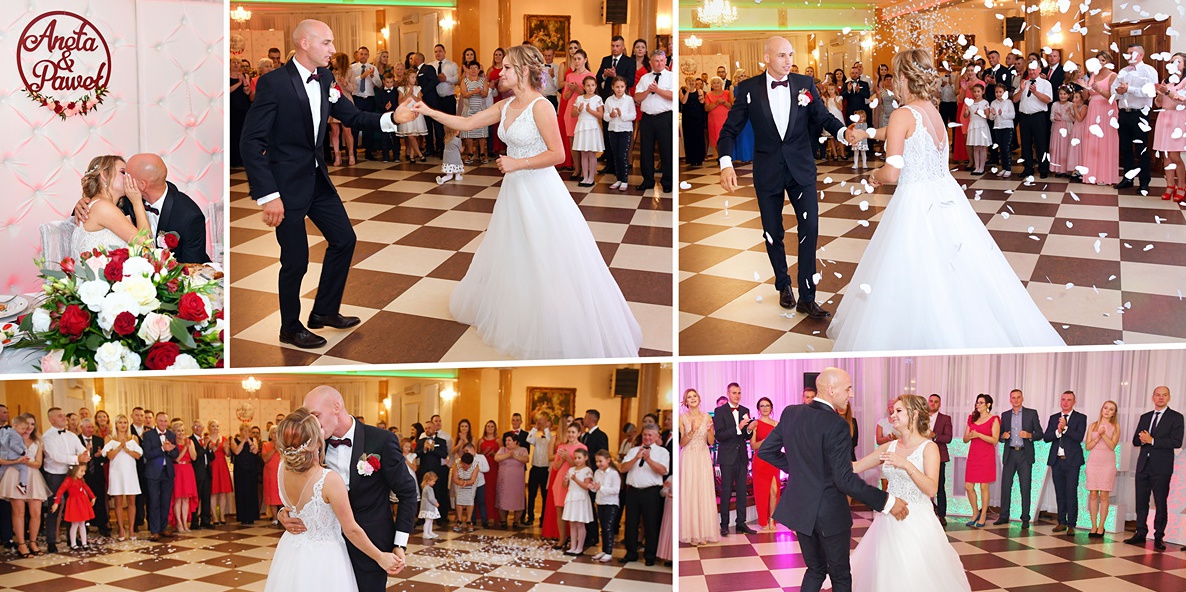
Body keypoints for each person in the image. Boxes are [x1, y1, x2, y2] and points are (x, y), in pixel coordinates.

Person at [409, 44, 642, 359]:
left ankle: (553, 314)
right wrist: (427, 111)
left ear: (523, 71)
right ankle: (521, 304)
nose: (501, 72)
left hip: (540, 189)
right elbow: (466, 123)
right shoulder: (506, 105)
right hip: (514, 190)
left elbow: (557, 154)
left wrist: (518, 163)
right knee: (515, 247)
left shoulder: (541, 106)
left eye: (507, 67)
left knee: (545, 251)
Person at [827, 49, 1066, 351]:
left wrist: (875, 174)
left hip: (916, 203)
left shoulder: (902, 114)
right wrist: (868, 133)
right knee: (956, 267)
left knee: (915, 268)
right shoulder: (931, 110)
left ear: (903, 78)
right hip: (945, 196)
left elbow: (892, 172)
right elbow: (900, 132)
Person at [239, 19, 415, 350]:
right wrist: (268, 195)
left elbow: (352, 116)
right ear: (304, 43)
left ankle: (324, 311)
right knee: (296, 261)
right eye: (326, 43)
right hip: (285, 187)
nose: (333, 49)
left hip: (317, 178)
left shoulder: (325, 79)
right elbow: (250, 142)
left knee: (344, 239)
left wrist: (392, 118)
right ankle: (290, 327)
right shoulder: (274, 83)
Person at [719, 37, 856, 319]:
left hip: (801, 169)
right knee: (773, 232)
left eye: (790, 55)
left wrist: (843, 132)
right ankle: (783, 284)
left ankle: (807, 296)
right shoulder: (748, 89)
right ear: (766, 57)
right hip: (768, 170)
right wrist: (725, 164)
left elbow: (823, 117)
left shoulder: (804, 85)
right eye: (782, 55)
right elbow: (729, 130)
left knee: (810, 229)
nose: (788, 61)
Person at [756, 368, 908, 592]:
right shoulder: (837, 424)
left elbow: (766, 451)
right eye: (848, 389)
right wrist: (887, 501)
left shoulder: (791, 413)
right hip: (829, 512)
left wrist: (802, 470)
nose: (851, 394)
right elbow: (844, 479)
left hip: (801, 508)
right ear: (831, 389)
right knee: (840, 575)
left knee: (815, 570)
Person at [276, 388, 418, 592]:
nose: (313, 423)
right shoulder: (312, 444)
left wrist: (400, 544)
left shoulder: (381, 440)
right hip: (326, 554)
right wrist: (287, 511)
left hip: (370, 545)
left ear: (337, 407)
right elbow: (304, 486)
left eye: (316, 415)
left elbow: (407, 493)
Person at [848, 395, 972, 592]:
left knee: (916, 573)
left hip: (917, 520)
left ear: (914, 414)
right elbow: (856, 467)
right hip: (888, 520)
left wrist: (906, 465)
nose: (893, 415)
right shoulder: (890, 446)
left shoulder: (929, 447)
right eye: (893, 411)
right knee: (887, 573)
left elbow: (931, 488)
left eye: (899, 411)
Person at [1125, 386, 1183, 550]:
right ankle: (1140, 532)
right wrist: (1143, 440)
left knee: (1160, 502)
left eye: (1164, 395)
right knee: (1141, 501)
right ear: (1153, 397)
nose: (1160, 398)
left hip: (1162, 467)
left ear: (1169, 397)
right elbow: (1135, 441)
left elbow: (1177, 442)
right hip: (1143, 465)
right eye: (1158, 395)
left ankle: (1159, 536)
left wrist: (1152, 440)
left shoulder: (1176, 417)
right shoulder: (1145, 417)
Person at [70, 155, 152, 256]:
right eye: (123, 172)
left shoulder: (101, 205)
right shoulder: (102, 207)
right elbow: (147, 246)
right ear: (105, 175)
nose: (129, 178)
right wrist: (137, 202)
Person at [0, 414, 49, 557]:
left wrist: (26, 462)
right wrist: (16, 461)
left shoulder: (37, 441)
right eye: (27, 424)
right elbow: (2, 459)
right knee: (19, 512)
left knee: (36, 512)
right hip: (14, 474)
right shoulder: (10, 438)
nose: (29, 427)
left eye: (32, 424)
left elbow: (38, 463)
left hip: (33, 476)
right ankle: (21, 544)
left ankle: (33, 542)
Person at [42, 407, 91, 552]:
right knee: (54, 506)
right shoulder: (47, 437)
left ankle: (73, 539)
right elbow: (55, 456)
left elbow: (81, 449)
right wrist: (77, 458)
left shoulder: (71, 435)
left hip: (71, 474)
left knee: (74, 505)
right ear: (51, 420)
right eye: (60, 416)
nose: (64, 418)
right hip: (55, 474)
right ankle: (51, 541)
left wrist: (85, 454)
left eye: (64, 415)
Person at [620, 425, 669, 566]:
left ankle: (650, 555)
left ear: (657, 436)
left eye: (650, 435)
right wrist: (636, 458)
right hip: (633, 491)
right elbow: (623, 468)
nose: (647, 437)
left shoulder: (662, 452)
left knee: (651, 524)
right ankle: (631, 553)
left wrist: (648, 460)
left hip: (651, 492)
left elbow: (663, 471)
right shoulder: (633, 451)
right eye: (645, 434)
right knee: (631, 523)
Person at [1112, 43, 1157, 193]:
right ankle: (1128, 178)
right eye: (1127, 52)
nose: (1128, 55)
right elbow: (1113, 91)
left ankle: (1144, 182)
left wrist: (1129, 89)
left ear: (1141, 55)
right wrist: (1119, 92)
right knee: (1125, 148)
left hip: (1140, 114)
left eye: (1131, 52)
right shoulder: (1123, 71)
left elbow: (1150, 92)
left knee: (1141, 149)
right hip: (1124, 113)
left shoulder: (1149, 70)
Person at [995, 389, 1044, 528]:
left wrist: (1029, 435)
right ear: (1010, 399)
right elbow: (999, 435)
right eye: (1013, 397)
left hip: (1024, 455)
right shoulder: (1005, 415)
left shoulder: (1031, 413)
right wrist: (1003, 436)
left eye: (1018, 397)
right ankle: (1004, 516)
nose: (1016, 400)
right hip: (1010, 454)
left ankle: (1025, 518)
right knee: (1005, 487)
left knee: (1025, 487)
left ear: (1022, 398)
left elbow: (1040, 433)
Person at [714, 382, 755, 536]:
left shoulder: (745, 410)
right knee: (726, 491)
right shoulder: (720, 411)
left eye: (739, 393)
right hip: (727, 456)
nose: (737, 396)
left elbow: (746, 437)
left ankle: (741, 523)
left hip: (742, 456)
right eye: (734, 393)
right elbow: (719, 436)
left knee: (742, 491)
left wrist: (749, 430)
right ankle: (724, 524)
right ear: (728, 393)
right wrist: (738, 427)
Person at [1044, 391, 1087, 534]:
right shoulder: (1054, 418)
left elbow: (1079, 437)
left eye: (1069, 400)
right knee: (1060, 493)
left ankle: (1071, 524)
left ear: (1074, 402)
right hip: (1057, 461)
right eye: (1063, 399)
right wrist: (1058, 431)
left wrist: (1066, 428)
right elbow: (1047, 437)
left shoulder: (1081, 417)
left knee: (1071, 492)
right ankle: (1061, 522)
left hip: (1072, 462)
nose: (1065, 402)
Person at [634, 50, 674, 193]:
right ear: (651, 62)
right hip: (647, 118)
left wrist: (657, 90)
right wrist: (647, 91)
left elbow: (673, 96)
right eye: (656, 61)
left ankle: (668, 182)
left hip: (665, 117)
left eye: (662, 60)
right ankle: (648, 180)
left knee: (666, 150)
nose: (659, 63)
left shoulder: (671, 76)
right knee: (646, 150)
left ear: (665, 61)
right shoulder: (645, 78)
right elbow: (637, 97)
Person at [596, 36, 635, 172]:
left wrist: (615, 75)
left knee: (621, 136)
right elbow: (598, 77)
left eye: (617, 46)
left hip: (623, 100)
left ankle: (620, 166)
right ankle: (609, 164)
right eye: (613, 45)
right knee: (608, 132)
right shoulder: (606, 60)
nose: (615, 48)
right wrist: (605, 75)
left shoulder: (629, 61)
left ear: (623, 47)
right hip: (608, 99)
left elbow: (630, 81)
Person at [1079, 52, 1120, 185]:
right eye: (1098, 61)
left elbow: (1113, 96)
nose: (1100, 63)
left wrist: (1099, 89)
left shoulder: (1113, 75)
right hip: (1093, 108)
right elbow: (1085, 97)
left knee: (1105, 140)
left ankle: (1105, 175)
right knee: (1093, 140)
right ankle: (1092, 174)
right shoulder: (1092, 75)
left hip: (1107, 109)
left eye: (1103, 60)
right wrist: (1085, 87)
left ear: (1108, 62)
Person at [103, 415, 142, 540]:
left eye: (125, 422)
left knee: (131, 501)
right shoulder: (109, 438)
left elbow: (138, 456)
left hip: (130, 472)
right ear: (116, 424)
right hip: (116, 472)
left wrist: (127, 449)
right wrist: (120, 447)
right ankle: (121, 529)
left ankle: (131, 529)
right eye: (120, 422)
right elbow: (109, 456)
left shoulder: (133, 438)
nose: (123, 425)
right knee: (118, 501)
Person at [1084, 400, 1120, 538]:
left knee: (1104, 495)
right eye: (1106, 408)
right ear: (1102, 409)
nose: (1107, 411)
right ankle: (1093, 525)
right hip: (1093, 462)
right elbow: (1088, 446)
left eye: (1111, 409)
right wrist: (1097, 436)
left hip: (1107, 463)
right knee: (1093, 494)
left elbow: (1112, 446)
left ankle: (1101, 526)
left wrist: (1103, 434)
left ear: (1113, 413)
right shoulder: (1093, 425)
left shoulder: (1115, 426)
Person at [1154, 52, 1186, 202]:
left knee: (1174, 155)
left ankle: (1182, 186)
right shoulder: (1166, 81)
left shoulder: (1184, 81)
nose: (1174, 64)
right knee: (1166, 155)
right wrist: (1160, 94)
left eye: (1178, 62)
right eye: (1172, 61)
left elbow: (1183, 101)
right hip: (1164, 116)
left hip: (1178, 118)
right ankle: (1170, 185)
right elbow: (1158, 103)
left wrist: (1168, 92)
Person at [548, 424, 586, 548]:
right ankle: (562, 538)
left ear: (579, 433)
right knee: (560, 510)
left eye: (573, 432)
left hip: (574, 481)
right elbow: (555, 467)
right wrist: (562, 458)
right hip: (561, 480)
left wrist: (567, 457)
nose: (570, 434)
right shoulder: (561, 446)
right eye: (569, 432)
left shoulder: (582, 447)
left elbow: (579, 466)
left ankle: (575, 541)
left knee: (573, 511)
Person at [578, 409, 608, 548]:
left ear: (590, 419)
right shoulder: (586, 435)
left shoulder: (600, 436)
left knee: (590, 505)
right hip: (585, 474)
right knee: (584, 504)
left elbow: (602, 455)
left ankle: (593, 535)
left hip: (593, 475)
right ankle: (585, 533)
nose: (584, 420)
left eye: (585, 418)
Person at [751, 397, 780, 531]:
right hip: (760, 460)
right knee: (762, 492)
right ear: (758, 409)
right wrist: (765, 442)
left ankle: (772, 519)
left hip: (774, 460)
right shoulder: (755, 424)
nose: (765, 408)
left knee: (774, 490)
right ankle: (763, 520)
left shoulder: (777, 425)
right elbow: (753, 445)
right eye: (762, 406)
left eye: (767, 405)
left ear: (771, 408)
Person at [50, 464, 95, 550]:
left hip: (82, 502)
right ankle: (73, 543)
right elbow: (60, 491)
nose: (83, 473)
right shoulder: (69, 480)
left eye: (84, 471)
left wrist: (92, 496)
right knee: (74, 524)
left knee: (82, 523)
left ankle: (84, 542)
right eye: (81, 471)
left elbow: (87, 488)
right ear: (74, 471)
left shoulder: (81, 480)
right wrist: (56, 502)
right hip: (74, 503)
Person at [571, 75, 605, 187]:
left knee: (591, 153)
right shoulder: (579, 99)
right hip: (582, 126)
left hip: (592, 127)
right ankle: (585, 177)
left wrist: (590, 111)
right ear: (584, 87)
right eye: (588, 85)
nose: (590, 88)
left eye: (592, 85)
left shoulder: (597, 99)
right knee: (583, 153)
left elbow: (601, 115)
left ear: (595, 86)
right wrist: (579, 110)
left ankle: (591, 178)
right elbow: (573, 114)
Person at [603, 77, 635, 190]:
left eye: (622, 87)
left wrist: (622, 115)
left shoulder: (629, 100)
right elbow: (605, 116)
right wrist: (610, 115)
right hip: (613, 130)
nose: (619, 89)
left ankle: (624, 180)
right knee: (616, 156)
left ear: (625, 87)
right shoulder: (609, 100)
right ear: (613, 87)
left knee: (622, 156)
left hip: (625, 130)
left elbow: (633, 115)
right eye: (617, 87)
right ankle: (619, 179)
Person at [416, 419, 450, 526]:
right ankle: (422, 517)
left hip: (437, 471)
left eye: (429, 428)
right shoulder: (421, 441)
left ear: (435, 428)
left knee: (438, 493)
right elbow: (416, 454)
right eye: (425, 428)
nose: (427, 430)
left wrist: (433, 449)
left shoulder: (441, 441)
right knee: (424, 494)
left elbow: (444, 454)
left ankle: (439, 517)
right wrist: (424, 449)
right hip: (424, 471)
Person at [589, 449, 620, 562]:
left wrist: (601, 488)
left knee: (608, 528)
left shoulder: (613, 473)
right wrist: (592, 487)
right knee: (602, 527)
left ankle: (609, 552)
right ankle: (604, 550)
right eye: (597, 461)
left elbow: (616, 490)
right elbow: (596, 489)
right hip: (600, 502)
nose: (598, 464)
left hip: (611, 504)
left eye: (600, 461)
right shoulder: (597, 472)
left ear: (608, 460)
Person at [562, 448, 594, 555]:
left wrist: (575, 479)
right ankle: (573, 546)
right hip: (571, 496)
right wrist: (566, 480)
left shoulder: (587, 470)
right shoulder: (571, 470)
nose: (577, 460)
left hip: (581, 498)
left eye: (579, 458)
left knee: (580, 524)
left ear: (586, 458)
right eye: (575, 458)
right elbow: (565, 485)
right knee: (572, 523)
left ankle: (579, 547)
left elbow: (586, 486)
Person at [925, 395, 952, 526]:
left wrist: (934, 435)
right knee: (922, 486)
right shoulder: (920, 417)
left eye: (936, 402)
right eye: (931, 401)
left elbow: (948, 438)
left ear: (939, 404)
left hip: (939, 457)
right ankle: (924, 514)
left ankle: (941, 515)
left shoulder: (945, 419)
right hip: (922, 456)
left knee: (940, 486)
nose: (933, 404)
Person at [429, 44, 460, 157]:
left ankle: (451, 147)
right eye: (436, 51)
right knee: (437, 124)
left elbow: (457, 79)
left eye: (440, 51)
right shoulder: (431, 66)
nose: (438, 53)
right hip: (436, 99)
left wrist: (446, 79)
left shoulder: (452, 65)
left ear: (444, 52)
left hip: (448, 98)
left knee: (449, 124)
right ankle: (440, 148)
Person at [170, 419, 198, 533]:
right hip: (177, 469)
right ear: (174, 432)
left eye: (182, 430)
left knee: (186, 498)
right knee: (178, 498)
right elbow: (176, 459)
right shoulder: (172, 443)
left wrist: (189, 446)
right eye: (178, 431)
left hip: (188, 469)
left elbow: (194, 457)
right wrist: (185, 447)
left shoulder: (189, 441)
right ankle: (179, 523)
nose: (181, 433)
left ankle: (185, 523)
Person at [494, 434, 528, 527]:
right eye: (506, 440)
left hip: (517, 481)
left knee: (518, 500)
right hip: (504, 480)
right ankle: (503, 521)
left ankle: (516, 521)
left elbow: (526, 459)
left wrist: (514, 455)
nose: (506, 442)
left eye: (509, 440)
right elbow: (496, 458)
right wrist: (508, 454)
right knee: (502, 499)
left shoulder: (523, 450)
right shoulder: (502, 449)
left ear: (515, 442)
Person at [460, 61, 490, 163]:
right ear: (468, 70)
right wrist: (473, 92)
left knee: (481, 132)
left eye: (475, 68)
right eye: (471, 68)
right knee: (469, 131)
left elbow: (485, 93)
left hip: (480, 110)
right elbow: (464, 94)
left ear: (479, 69)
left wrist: (480, 92)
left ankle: (482, 153)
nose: (473, 70)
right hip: (469, 110)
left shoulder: (483, 80)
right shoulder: (464, 81)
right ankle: (470, 153)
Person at [207, 420, 233, 525]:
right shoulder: (207, 439)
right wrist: (214, 447)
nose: (215, 428)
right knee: (213, 493)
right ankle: (214, 515)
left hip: (222, 466)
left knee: (223, 493)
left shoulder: (224, 439)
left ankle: (222, 515)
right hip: (212, 466)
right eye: (213, 426)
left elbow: (228, 454)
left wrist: (227, 448)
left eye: (217, 426)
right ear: (209, 427)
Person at [189, 419, 213, 530]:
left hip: (206, 472)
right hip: (196, 472)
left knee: (206, 497)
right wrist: (204, 447)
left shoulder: (205, 440)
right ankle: (194, 522)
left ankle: (206, 520)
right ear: (192, 428)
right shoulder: (191, 440)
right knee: (196, 498)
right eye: (196, 426)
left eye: (200, 426)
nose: (198, 428)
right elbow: (195, 456)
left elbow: (211, 458)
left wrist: (210, 449)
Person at [680, 77, 707, 166]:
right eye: (689, 81)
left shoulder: (699, 91)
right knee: (689, 137)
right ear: (686, 82)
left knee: (698, 136)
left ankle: (699, 158)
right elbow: (683, 101)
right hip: (687, 117)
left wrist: (699, 91)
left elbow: (702, 101)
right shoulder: (682, 91)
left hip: (698, 117)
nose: (691, 82)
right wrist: (688, 90)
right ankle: (691, 158)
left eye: (692, 81)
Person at [1048, 85, 1074, 177]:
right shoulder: (1055, 104)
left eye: (1064, 94)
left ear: (1069, 95)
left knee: (1065, 148)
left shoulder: (1071, 105)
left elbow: (1071, 119)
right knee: (1056, 147)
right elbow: (1051, 117)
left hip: (1067, 129)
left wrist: (1062, 116)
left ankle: (1067, 169)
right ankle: (1058, 169)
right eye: (1061, 94)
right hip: (1056, 128)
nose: (1062, 96)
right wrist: (1054, 118)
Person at [705, 76, 732, 159]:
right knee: (716, 138)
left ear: (721, 84)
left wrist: (724, 103)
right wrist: (716, 102)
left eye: (718, 83)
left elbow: (731, 106)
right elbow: (707, 108)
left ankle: (728, 156)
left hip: (726, 120)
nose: (716, 85)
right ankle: (720, 156)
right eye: (714, 83)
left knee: (726, 137)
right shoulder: (708, 95)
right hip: (714, 121)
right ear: (711, 85)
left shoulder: (727, 93)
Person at [419, 471, 441, 538]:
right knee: (428, 521)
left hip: (429, 507)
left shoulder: (427, 488)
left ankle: (430, 532)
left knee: (430, 520)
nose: (434, 483)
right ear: (428, 480)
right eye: (433, 481)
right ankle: (425, 533)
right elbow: (431, 498)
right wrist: (436, 502)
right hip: (428, 508)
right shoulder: (428, 488)